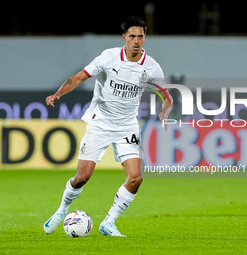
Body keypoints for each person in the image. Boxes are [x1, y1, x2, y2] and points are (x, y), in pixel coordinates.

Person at [44, 16, 172, 237]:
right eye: (132, 36)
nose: (136, 41)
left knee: (136, 178)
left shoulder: (151, 67)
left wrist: (165, 111)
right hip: (101, 123)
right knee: (82, 176)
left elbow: (166, 95)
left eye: (140, 36)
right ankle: (62, 210)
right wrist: (57, 94)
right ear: (124, 37)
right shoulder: (108, 57)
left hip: (127, 126)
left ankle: (109, 222)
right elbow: (78, 78)